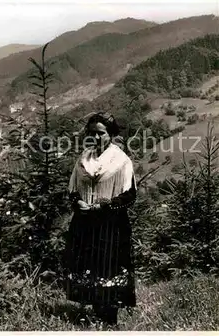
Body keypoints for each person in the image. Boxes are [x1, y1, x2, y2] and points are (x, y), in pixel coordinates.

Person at [64, 112, 137, 326]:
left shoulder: (121, 160)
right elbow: (73, 188)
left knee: (108, 266)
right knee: (90, 266)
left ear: (111, 134)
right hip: (85, 222)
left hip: (110, 224)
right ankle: (93, 313)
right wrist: (78, 203)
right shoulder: (84, 158)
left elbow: (130, 194)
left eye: (101, 134)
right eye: (93, 133)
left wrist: (104, 205)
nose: (97, 138)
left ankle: (109, 318)